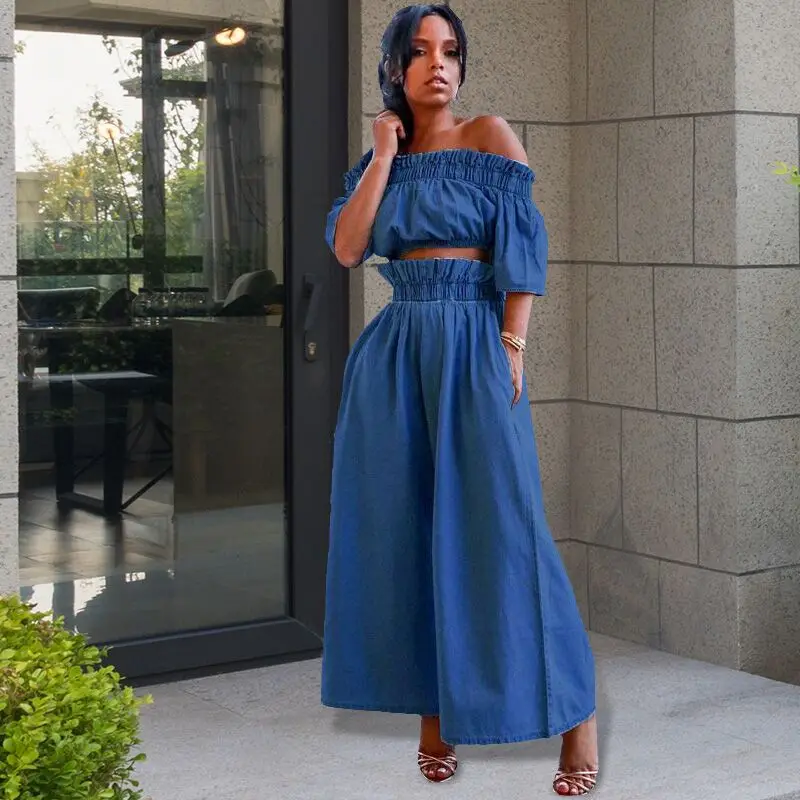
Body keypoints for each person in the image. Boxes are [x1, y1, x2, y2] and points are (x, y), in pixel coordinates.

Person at [321, 4, 599, 795]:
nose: (437, 63)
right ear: (395, 67)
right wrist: (383, 155)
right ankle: (435, 714)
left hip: (475, 341)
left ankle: (576, 714)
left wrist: (512, 344)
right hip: (395, 352)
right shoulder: (381, 158)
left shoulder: (489, 135)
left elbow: (523, 245)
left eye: (449, 50)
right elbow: (348, 248)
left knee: (508, 530)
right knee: (407, 533)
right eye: (419, 51)